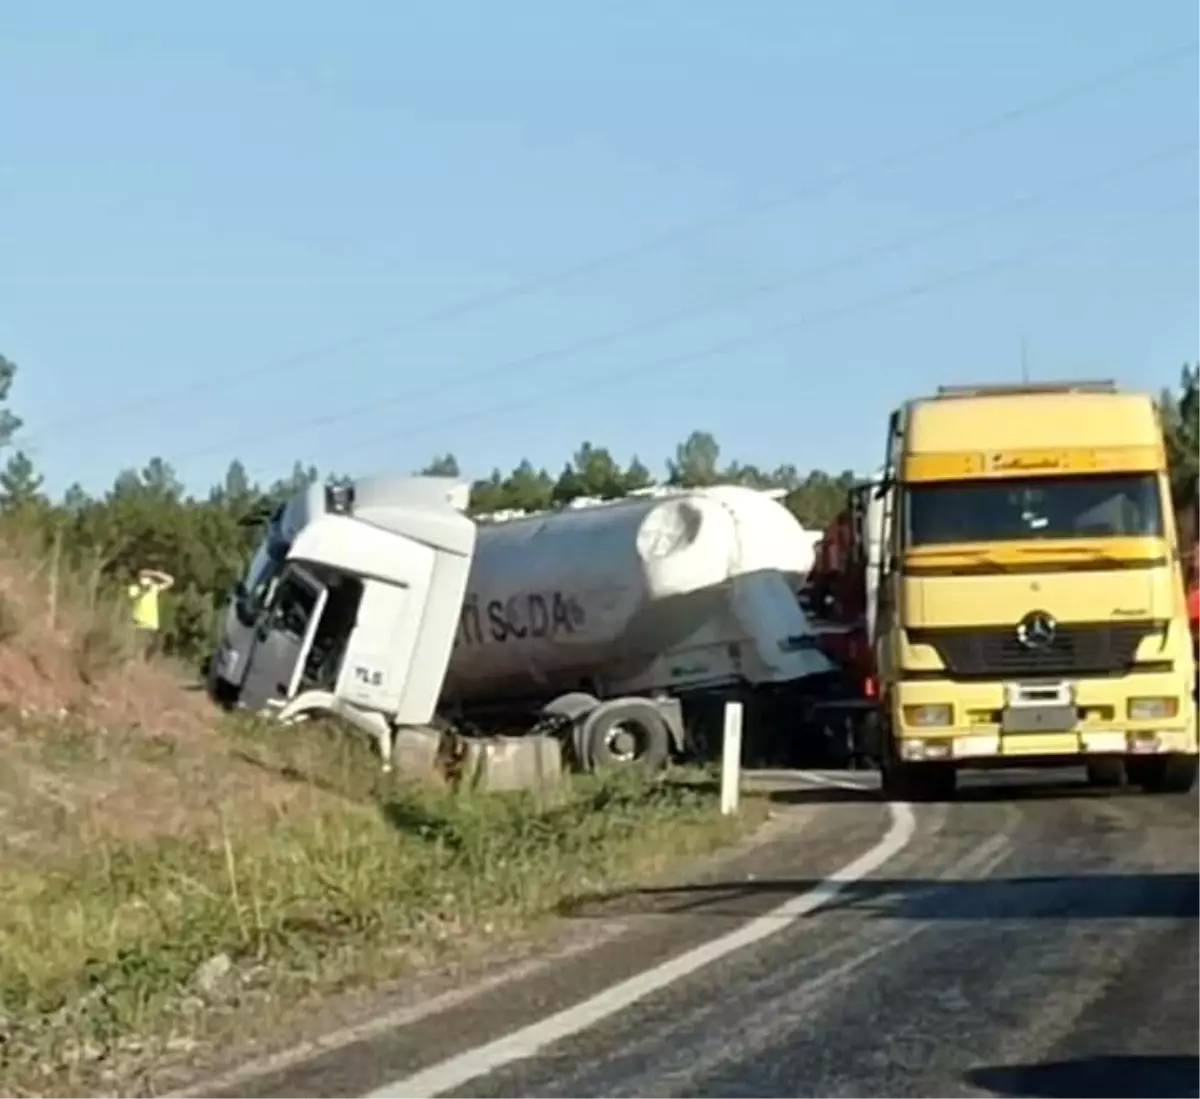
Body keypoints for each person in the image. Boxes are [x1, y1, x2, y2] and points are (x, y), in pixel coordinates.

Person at [127, 568, 175, 657]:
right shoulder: (135, 588)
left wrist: (157, 574)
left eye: (149, 579)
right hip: (139, 626)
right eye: (145, 578)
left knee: (152, 650)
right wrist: (144, 589)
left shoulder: (154, 588)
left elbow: (170, 581)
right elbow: (132, 595)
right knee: (138, 651)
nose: (147, 580)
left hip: (151, 626)